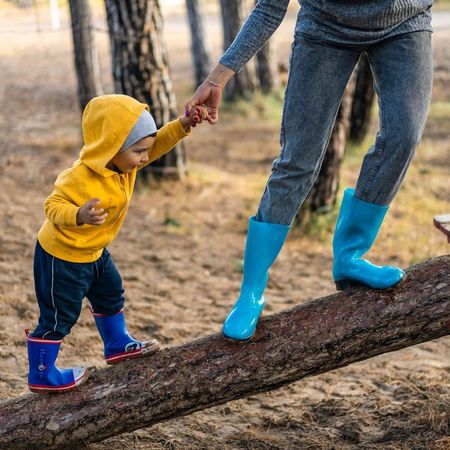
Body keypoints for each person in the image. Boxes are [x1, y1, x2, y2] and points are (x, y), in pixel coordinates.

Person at [185, 0, 433, 341]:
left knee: (403, 138)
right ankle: (251, 293)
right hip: (325, 28)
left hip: (406, 21)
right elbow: (269, 7)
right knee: (297, 162)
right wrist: (219, 77)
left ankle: (350, 256)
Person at [27, 94, 206, 393]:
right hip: (63, 257)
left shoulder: (125, 164)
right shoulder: (79, 178)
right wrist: (78, 214)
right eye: (138, 151)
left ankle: (117, 344)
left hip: (95, 252)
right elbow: (51, 206)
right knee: (60, 315)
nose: (145, 158)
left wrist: (183, 124)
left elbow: (157, 143)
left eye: (144, 151)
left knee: (111, 292)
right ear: (111, 147)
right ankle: (42, 372)